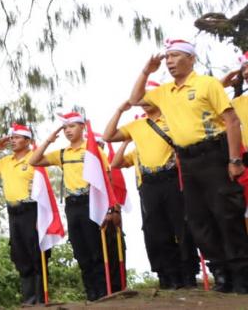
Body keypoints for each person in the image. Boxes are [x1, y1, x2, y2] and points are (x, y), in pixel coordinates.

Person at [128, 39, 248, 293]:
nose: (169, 61)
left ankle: (241, 273)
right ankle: (221, 271)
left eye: (175, 56)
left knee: (226, 214)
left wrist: (235, 159)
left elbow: (231, 120)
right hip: (188, 161)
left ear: (191, 58)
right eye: (167, 57)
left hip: (214, 153)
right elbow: (135, 98)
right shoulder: (164, 91)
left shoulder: (207, 83)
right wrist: (146, 71)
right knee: (197, 219)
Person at [103, 92, 197, 289]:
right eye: (141, 100)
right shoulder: (136, 126)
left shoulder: (173, 118)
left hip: (172, 177)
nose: (144, 103)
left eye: (148, 98)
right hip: (149, 183)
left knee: (181, 226)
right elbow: (108, 136)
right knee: (157, 230)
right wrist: (121, 110)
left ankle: (188, 273)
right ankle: (169, 275)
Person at [29, 114, 121, 301]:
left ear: (82, 128)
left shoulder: (93, 150)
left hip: (91, 201)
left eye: (72, 126)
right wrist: (49, 140)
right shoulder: (62, 153)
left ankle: (103, 291)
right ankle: (91, 292)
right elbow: (34, 161)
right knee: (80, 250)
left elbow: (107, 178)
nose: (68, 131)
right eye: (65, 128)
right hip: (72, 205)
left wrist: (112, 209)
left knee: (95, 248)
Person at [0, 124, 46, 304]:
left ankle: (40, 299)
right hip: (13, 212)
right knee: (20, 254)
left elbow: (44, 187)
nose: (13, 141)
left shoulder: (35, 157)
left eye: (17, 137)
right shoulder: (6, 161)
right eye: (12, 137)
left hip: (31, 210)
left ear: (28, 141)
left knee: (36, 253)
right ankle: (28, 299)